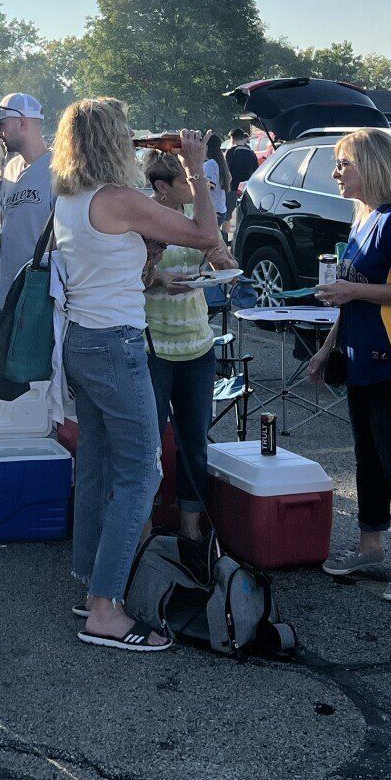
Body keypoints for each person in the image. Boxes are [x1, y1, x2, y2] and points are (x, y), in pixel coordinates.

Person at [54, 100, 221, 653]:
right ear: (112, 141)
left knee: (97, 467)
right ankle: (105, 609)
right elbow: (205, 235)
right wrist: (196, 169)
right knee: (142, 473)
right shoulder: (119, 199)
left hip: (82, 340)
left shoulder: (71, 198)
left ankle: (91, 583)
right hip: (116, 344)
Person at [308, 129, 391, 603]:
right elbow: (350, 300)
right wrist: (326, 349)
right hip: (361, 360)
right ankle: (369, 546)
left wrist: (354, 290)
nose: (336, 173)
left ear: (373, 165)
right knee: (367, 457)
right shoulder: (363, 219)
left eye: (344, 163)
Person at [140, 149, 236, 545]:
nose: (198, 187)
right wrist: (158, 278)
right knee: (147, 444)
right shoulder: (142, 217)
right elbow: (128, 279)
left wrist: (223, 263)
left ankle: (191, 527)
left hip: (198, 345)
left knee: (194, 441)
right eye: (187, 181)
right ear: (162, 187)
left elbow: (227, 267)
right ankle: (143, 528)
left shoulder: (199, 217)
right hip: (153, 348)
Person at [0, 92, 53, 298]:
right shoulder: (11, 168)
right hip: (6, 293)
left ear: (22, 123)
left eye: (2, 125)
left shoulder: (58, 170)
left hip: (38, 296)